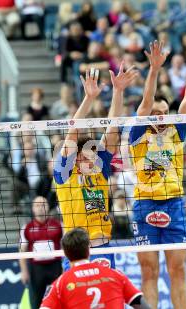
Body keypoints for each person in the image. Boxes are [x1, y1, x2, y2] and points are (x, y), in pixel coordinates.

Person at [129, 40, 186, 309]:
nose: (161, 117)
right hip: (145, 205)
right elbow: (145, 104)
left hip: (174, 204)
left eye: (165, 113)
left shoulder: (176, 132)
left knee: (178, 271)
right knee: (149, 272)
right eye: (157, 113)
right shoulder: (138, 134)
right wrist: (154, 70)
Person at [54, 64, 138, 271]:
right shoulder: (65, 173)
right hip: (76, 250)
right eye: (87, 156)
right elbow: (72, 131)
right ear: (76, 158)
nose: (92, 160)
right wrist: (89, 99)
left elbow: (112, 130)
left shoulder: (100, 171)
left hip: (103, 247)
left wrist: (118, 92)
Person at [40, 228, 151, 309]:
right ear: (89, 249)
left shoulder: (59, 284)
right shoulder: (115, 274)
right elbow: (139, 302)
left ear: (65, 254)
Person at [19, 196, 62, 309]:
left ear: (48, 207)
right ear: (33, 208)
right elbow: (22, 251)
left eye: (43, 204)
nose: (40, 208)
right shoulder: (26, 228)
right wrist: (24, 271)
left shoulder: (58, 225)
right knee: (36, 301)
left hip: (55, 267)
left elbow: (66, 247)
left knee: (59, 297)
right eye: (37, 205)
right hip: (36, 268)